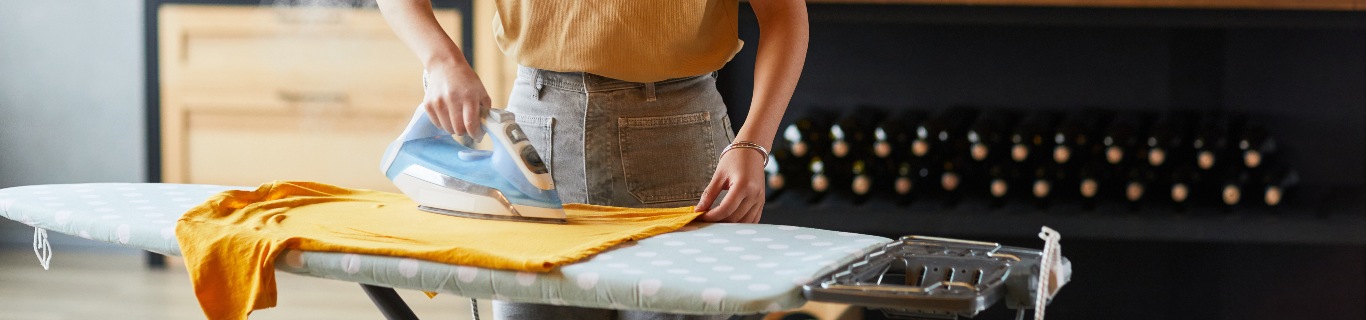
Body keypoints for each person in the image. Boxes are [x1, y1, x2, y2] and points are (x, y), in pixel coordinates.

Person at [375, 0, 808, 319]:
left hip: (675, 137)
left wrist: (754, 143)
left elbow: (783, 14)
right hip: (539, 124)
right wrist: (442, 61)